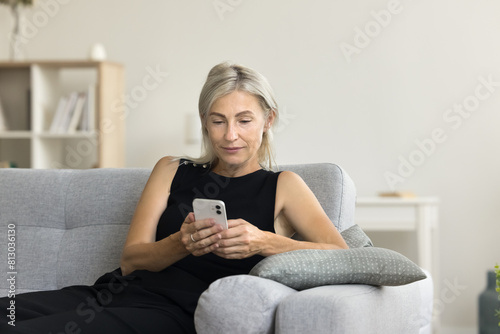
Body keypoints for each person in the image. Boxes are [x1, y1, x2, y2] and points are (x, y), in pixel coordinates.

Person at [0, 62, 348, 334]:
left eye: (244, 120)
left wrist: (263, 241)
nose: (230, 135)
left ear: (267, 120)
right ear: (203, 121)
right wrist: (181, 243)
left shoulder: (284, 186)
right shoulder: (170, 169)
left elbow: (341, 256)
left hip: (179, 313)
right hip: (115, 292)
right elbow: (132, 259)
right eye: (218, 121)